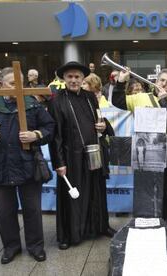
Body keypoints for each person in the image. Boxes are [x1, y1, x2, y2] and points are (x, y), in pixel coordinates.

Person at [0, 67, 55, 264]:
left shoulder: (32, 104)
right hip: (1, 166)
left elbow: (49, 127)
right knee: (5, 212)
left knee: (32, 210)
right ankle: (11, 246)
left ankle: (35, 246)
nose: (18, 87)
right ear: (1, 84)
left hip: (28, 165)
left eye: (20, 83)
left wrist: (36, 135)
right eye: (12, 83)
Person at [48, 61, 116, 250]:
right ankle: (68, 235)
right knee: (73, 196)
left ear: (82, 78)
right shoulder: (56, 100)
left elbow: (99, 119)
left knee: (97, 191)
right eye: (70, 77)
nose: (74, 80)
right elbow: (56, 136)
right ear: (64, 79)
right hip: (71, 157)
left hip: (93, 152)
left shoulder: (90, 97)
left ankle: (101, 226)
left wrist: (103, 126)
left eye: (77, 77)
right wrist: (59, 162)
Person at [112, 68, 167, 225]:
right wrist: (121, 82)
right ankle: (144, 224)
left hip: (164, 154)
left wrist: (164, 101)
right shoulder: (141, 97)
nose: (163, 84)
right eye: (162, 80)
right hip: (143, 152)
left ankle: (164, 226)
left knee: (163, 193)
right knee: (143, 191)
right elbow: (118, 102)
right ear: (156, 81)